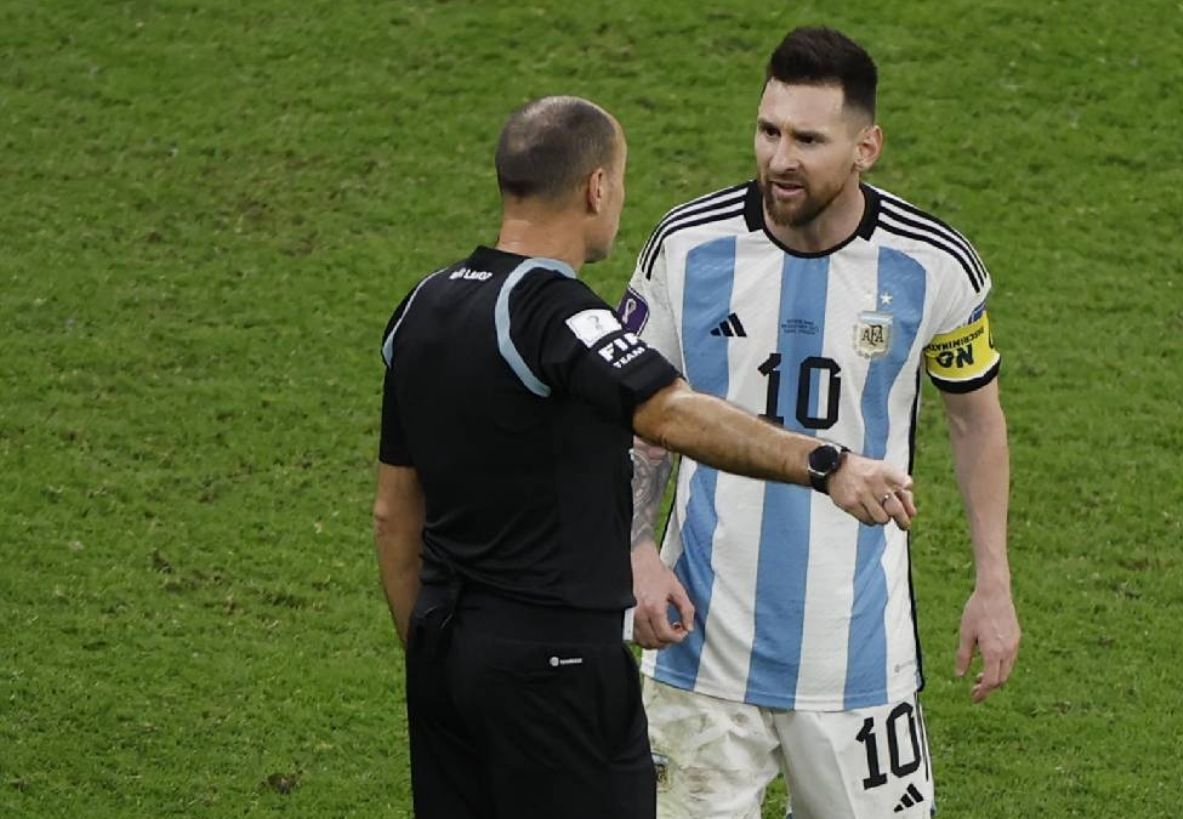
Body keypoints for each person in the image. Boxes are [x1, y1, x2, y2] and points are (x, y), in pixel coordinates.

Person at [371, 95, 918, 819]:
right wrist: (826, 462)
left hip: (446, 651)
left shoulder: (423, 305)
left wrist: (432, 653)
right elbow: (669, 411)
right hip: (557, 665)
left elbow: (393, 514)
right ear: (597, 187)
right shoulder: (560, 312)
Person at [619, 28, 1022, 819]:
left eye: (808, 139)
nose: (780, 158)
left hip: (857, 661)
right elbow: (633, 417)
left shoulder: (935, 266)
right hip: (699, 649)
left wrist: (994, 584)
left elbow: (976, 423)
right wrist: (632, 550)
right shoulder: (687, 246)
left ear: (866, 147)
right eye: (768, 131)